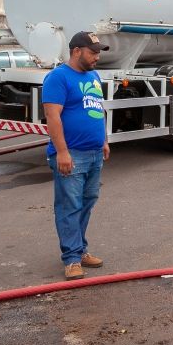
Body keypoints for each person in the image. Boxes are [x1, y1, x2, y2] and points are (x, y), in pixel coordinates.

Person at [43, 31, 111, 280]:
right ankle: (71, 259)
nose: (96, 58)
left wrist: (103, 140)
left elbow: (98, 108)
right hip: (71, 154)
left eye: (98, 53)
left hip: (94, 153)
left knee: (86, 203)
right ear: (76, 51)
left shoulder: (94, 76)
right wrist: (61, 151)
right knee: (69, 207)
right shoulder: (57, 78)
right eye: (93, 52)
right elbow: (52, 116)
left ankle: (80, 250)